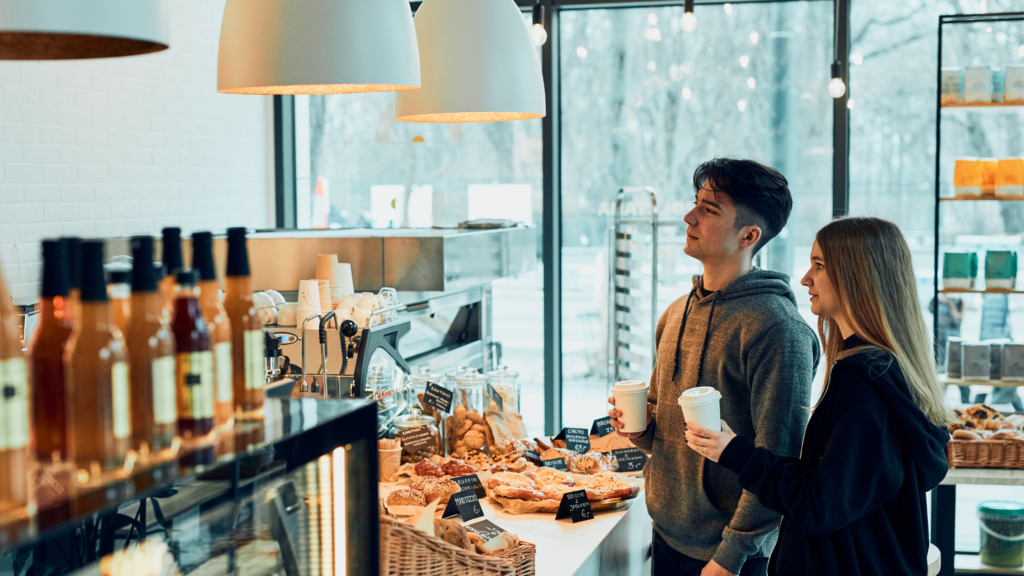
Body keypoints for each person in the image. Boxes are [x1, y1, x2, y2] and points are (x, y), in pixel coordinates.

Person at [684, 217, 954, 576]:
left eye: (820, 265)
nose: (805, 278)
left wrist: (736, 453)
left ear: (859, 276)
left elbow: (822, 503)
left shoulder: (864, 385)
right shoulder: (887, 372)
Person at [608, 158, 820, 576]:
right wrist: (641, 429)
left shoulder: (778, 329)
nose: (689, 217)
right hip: (667, 538)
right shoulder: (674, 315)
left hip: (731, 559)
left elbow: (779, 459)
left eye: (710, 209)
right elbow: (666, 438)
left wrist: (731, 556)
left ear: (749, 235)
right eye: (696, 203)